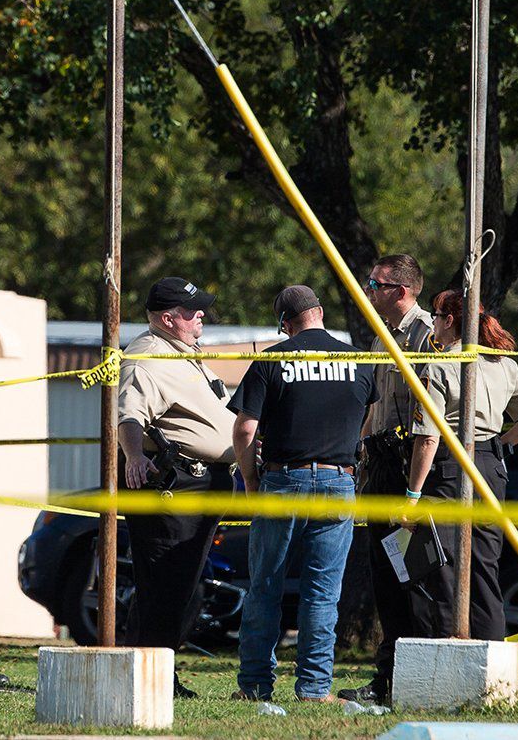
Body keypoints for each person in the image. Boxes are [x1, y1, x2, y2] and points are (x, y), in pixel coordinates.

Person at [227, 285, 372, 703]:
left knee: (266, 585)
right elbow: (368, 416)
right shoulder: (361, 362)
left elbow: (244, 430)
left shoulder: (273, 361)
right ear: (321, 313)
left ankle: (254, 685)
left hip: (282, 480)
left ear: (286, 325)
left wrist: (252, 482)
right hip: (338, 482)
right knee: (323, 593)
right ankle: (314, 688)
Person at [401, 288, 518, 641]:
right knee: (485, 568)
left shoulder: (440, 366)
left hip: (450, 469)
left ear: (449, 321)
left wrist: (412, 494)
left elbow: (427, 437)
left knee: (444, 568)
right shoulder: (503, 363)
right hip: (490, 467)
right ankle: (490, 656)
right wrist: (499, 445)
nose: (432, 325)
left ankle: (446, 657)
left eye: (437, 318)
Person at [115, 275, 236, 698]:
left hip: (202, 484)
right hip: (175, 485)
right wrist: (133, 458)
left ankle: (144, 672)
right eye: (191, 310)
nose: (200, 313)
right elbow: (129, 416)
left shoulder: (183, 352)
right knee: (167, 585)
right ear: (168, 318)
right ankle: (150, 678)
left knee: (180, 586)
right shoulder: (148, 357)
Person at [340, 252, 435, 705]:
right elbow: (375, 406)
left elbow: (429, 417)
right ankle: (386, 679)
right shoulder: (382, 338)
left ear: (402, 290)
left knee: (413, 576)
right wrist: (357, 451)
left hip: (406, 468)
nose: (368, 291)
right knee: (384, 575)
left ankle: (415, 681)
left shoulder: (427, 335)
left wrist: (414, 487)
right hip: (378, 464)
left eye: (376, 285)